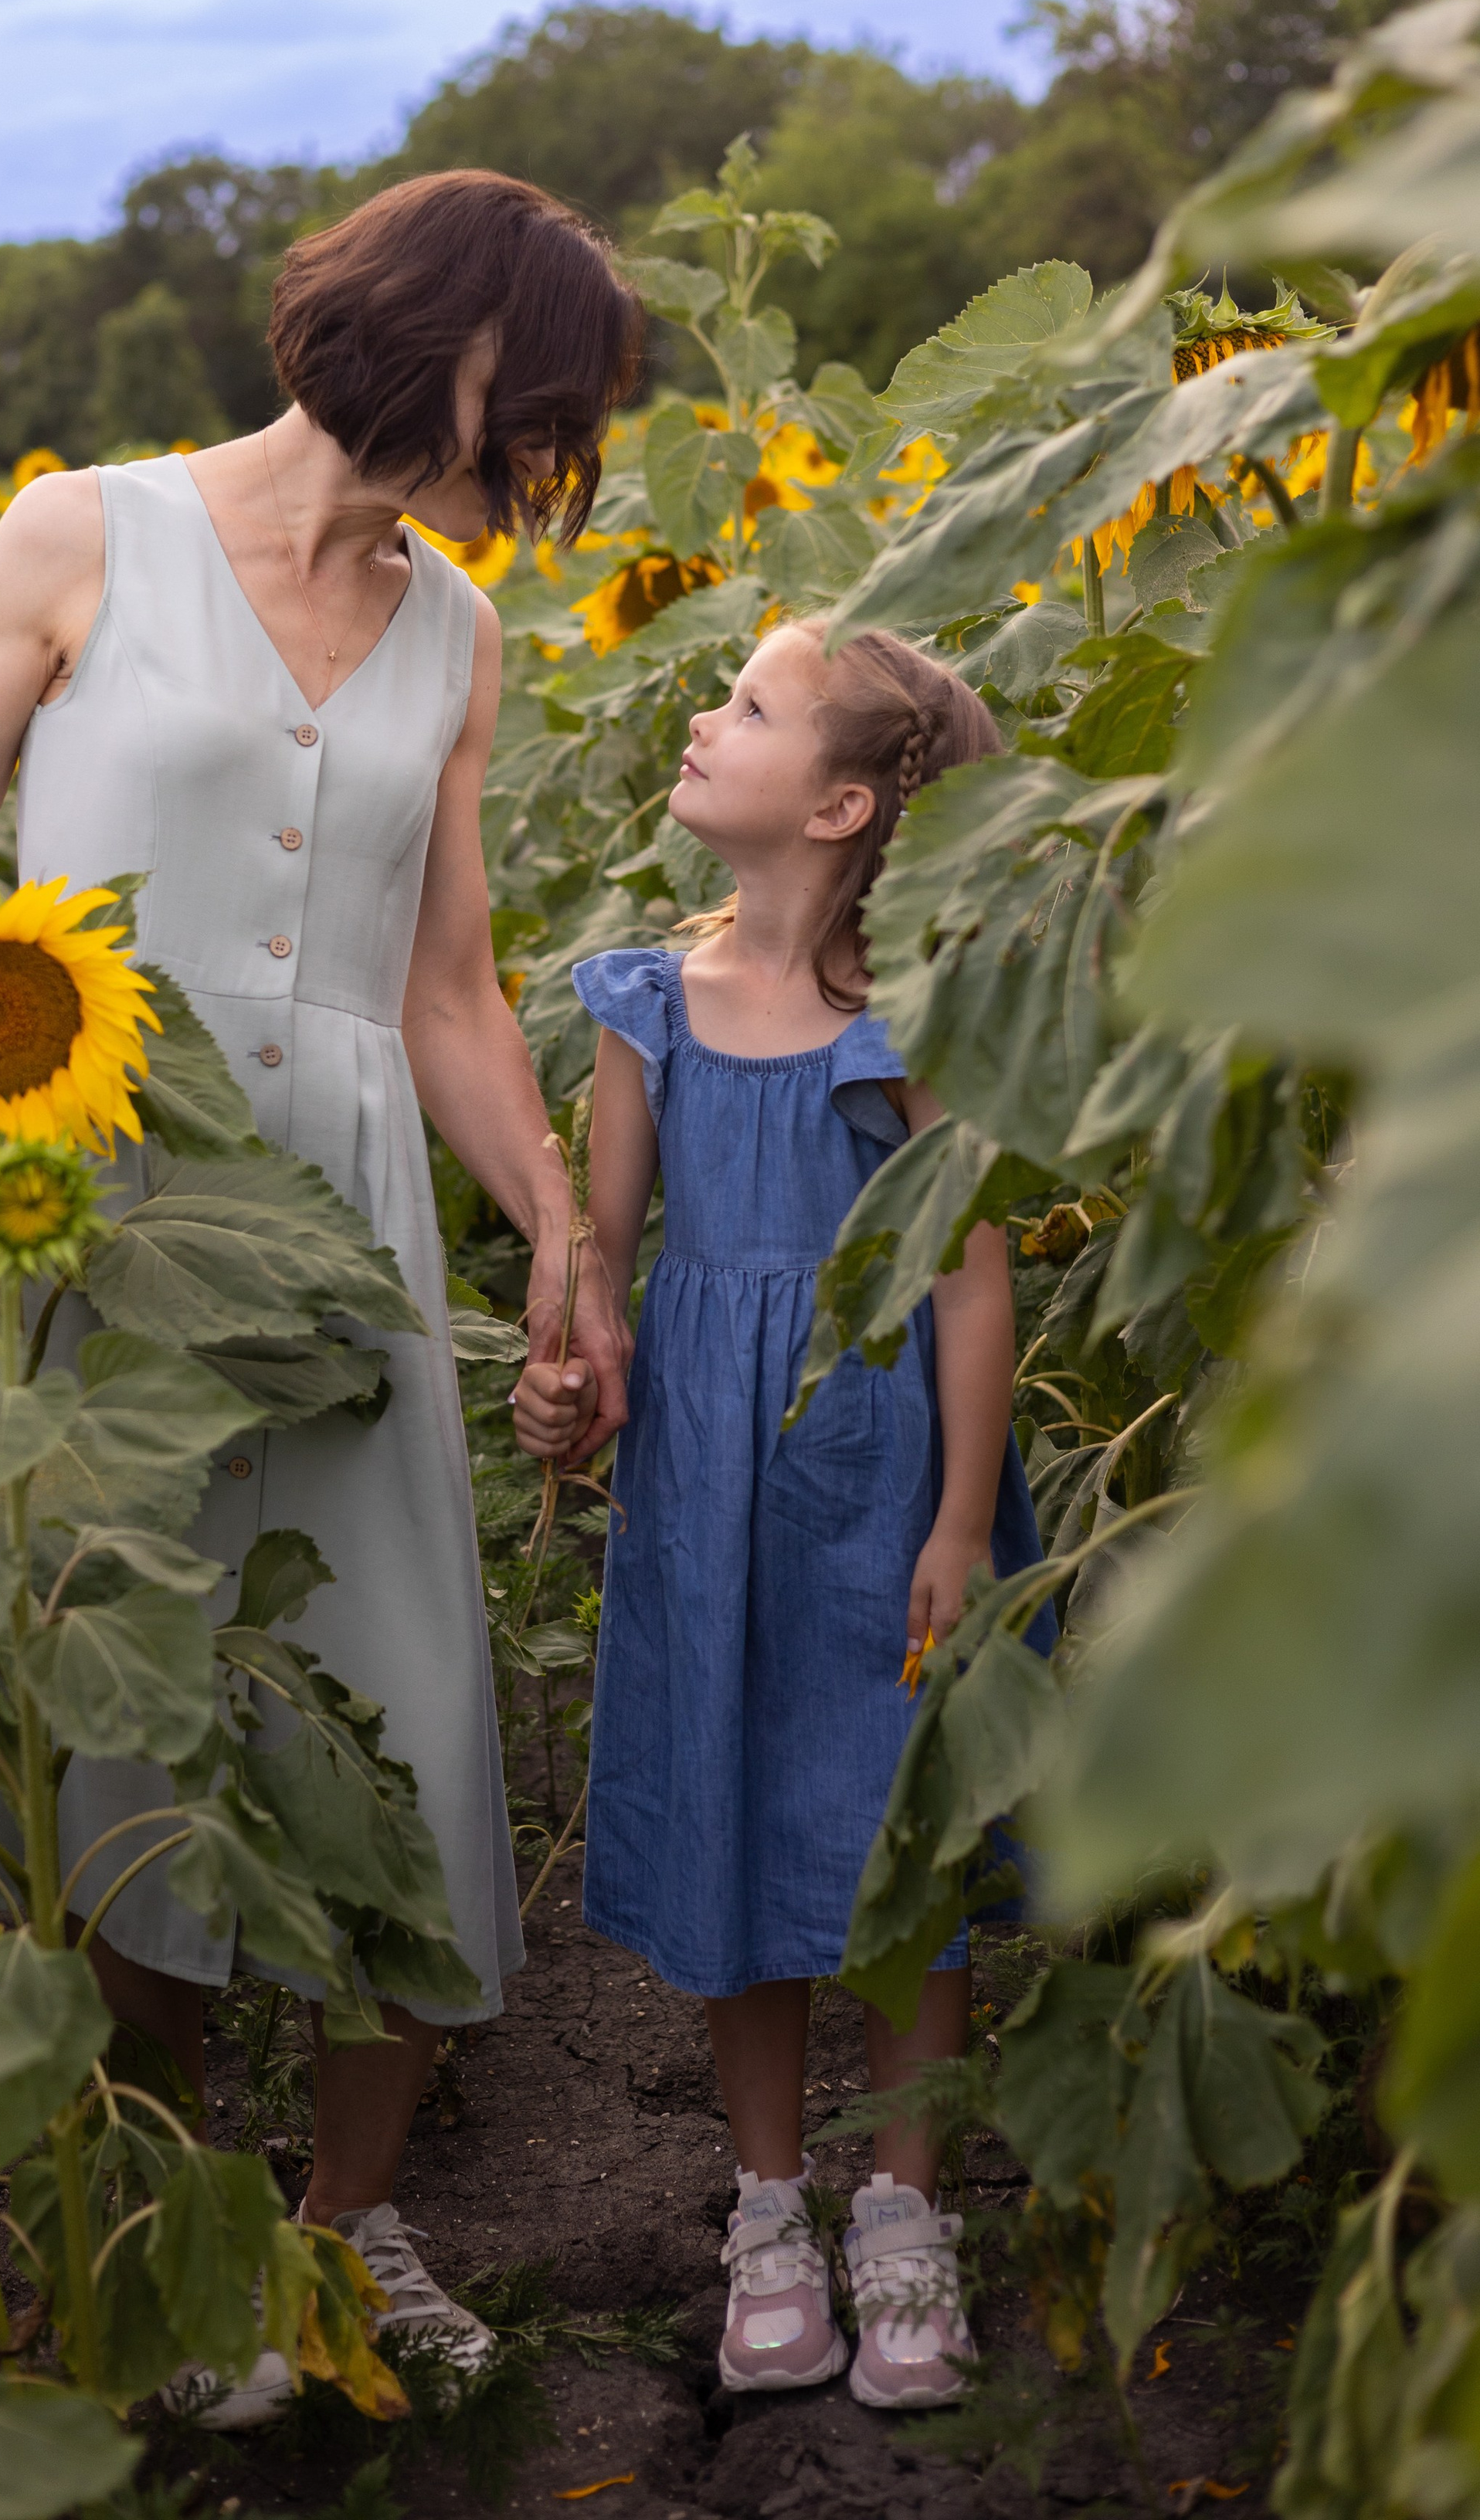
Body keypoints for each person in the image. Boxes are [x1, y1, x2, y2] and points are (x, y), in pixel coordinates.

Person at [0, 170, 640, 2415]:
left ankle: (349, 2236)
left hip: (349, 1224)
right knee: (123, 1708)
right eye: (541, 403)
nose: (545, 457)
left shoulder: (458, 633)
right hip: (84, 1191)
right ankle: (174, 2224)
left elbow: (452, 991)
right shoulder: (83, 531)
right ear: (433, 340)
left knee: (385, 1704)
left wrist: (569, 1256)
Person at [513, 618, 1050, 2412]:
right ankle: (765, 2205)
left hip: (886, 1466)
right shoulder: (640, 1010)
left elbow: (966, 1282)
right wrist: (574, 1390)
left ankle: (903, 2211)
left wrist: (963, 1522)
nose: (700, 711)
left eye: (742, 705)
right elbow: (606, 1265)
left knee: (892, 1832)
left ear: (833, 804)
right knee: (739, 1813)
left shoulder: (908, 1035)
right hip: (708, 1487)